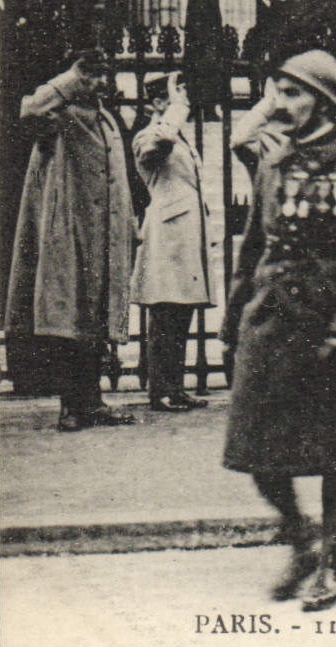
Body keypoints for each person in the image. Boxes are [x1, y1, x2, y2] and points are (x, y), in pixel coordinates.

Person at [220, 49, 336, 612]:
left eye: (294, 93)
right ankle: (301, 537)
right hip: (273, 320)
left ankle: (331, 561)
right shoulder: (274, 161)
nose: (281, 103)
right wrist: (233, 317)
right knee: (255, 448)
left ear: (323, 100)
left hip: (331, 323)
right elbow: (254, 245)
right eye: (277, 91)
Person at [4, 49, 139, 432]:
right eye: (92, 76)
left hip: (104, 238)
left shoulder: (107, 120)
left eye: (103, 76)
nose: (100, 83)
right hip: (70, 235)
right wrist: (69, 78)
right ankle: (71, 406)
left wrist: (127, 222)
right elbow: (29, 109)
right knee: (69, 322)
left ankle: (92, 402)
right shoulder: (58, 117)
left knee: (95, 321)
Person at [132, 73, 215, 413]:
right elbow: (158, 145)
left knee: (181, 315)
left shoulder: (178, 139)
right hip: (167, 238)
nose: (182, 103)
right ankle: (160, 391)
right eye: (171, 97)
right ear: (156, 104)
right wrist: (176, 109)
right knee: (165, 315)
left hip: (185, 237)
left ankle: (175, 387)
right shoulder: (148, 136)